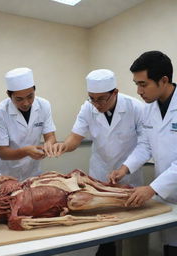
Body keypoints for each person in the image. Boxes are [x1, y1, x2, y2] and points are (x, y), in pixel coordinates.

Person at [52, 69, 144, 256]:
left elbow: (145, 145)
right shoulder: (88, 108)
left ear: (115, 92)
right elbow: (75, 138)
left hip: (129, 175)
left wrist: (124, 169)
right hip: (100, 174)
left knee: (132, 229)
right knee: (103, 228)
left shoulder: (135, 107)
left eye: (102, 99)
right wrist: (63, 146)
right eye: (92, 98)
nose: (97, 104)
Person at [108, 51, 177, 255]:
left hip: (163, 187)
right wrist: (124, 169)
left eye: (143, 84)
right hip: (168, 195)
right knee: (171, 248)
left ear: (163, 80)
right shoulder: (148, 109)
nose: (138, 91)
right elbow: (145, 146)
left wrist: (152, 188)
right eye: (136, 84)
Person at [0, 67, 56, 180]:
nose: (26, 103)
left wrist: (49, 145)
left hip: (32, 171)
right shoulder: (0, 113)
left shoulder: (44, 105)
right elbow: (3, 153)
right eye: (19, 99)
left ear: (34, 90)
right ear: (9, 95)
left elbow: (50, 136)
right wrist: (26, 151)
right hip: (6, 173)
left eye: (30, 96)